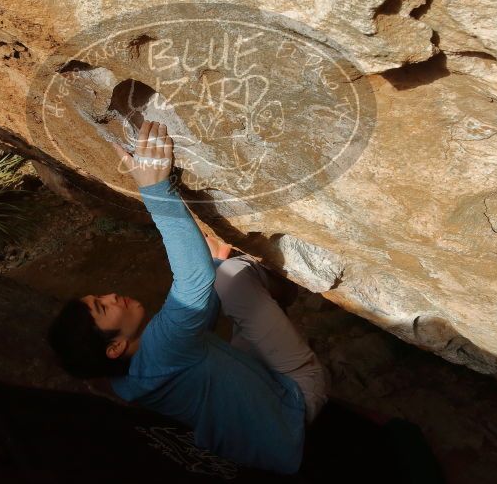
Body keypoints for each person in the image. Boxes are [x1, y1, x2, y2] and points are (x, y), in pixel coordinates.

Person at [48, 120, 329, 474]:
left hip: (261, 426)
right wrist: (155, 189)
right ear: (115, 347)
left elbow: (190, 328)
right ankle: (276, 283)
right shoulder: (163, 348)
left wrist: (210, 261)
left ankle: (265, 286)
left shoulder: (127, 380)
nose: (113, 295)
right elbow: (194, 280)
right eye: (103, 307)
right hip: (295, 403)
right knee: (230, 276)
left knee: (217, 276)